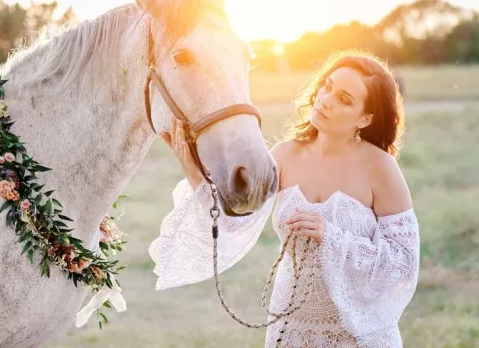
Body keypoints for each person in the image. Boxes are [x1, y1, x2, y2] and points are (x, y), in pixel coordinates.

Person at [148, 51, 420, 347]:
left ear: (365, 118)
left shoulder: (380, 167)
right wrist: (191, 169)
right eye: (327, 87)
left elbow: (404, 263)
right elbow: (235, 222)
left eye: (344, 99)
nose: (326, 100)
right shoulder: (284, 156)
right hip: (291, 328)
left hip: (358, 334)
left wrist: (331, 235)